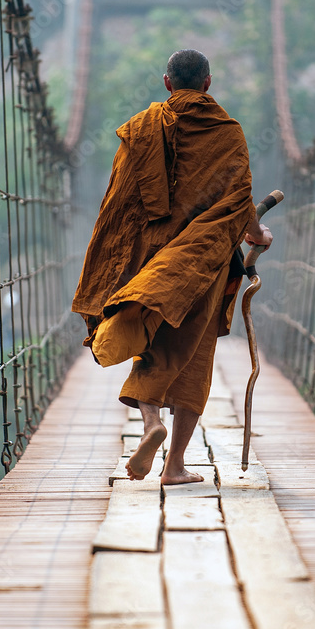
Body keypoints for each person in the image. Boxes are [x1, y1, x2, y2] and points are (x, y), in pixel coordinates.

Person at [72, 49, 272, 485]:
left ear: (167, 83)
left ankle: (150, 426)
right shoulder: (227, 132)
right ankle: (175, 465)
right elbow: (240, 198)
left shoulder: (143, 128)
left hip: (153, 260)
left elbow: (119, 201)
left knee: (152, 343)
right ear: (208, 83)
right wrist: (257, 235)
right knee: (194, 356)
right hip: (202, 261)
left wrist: (116, 261)